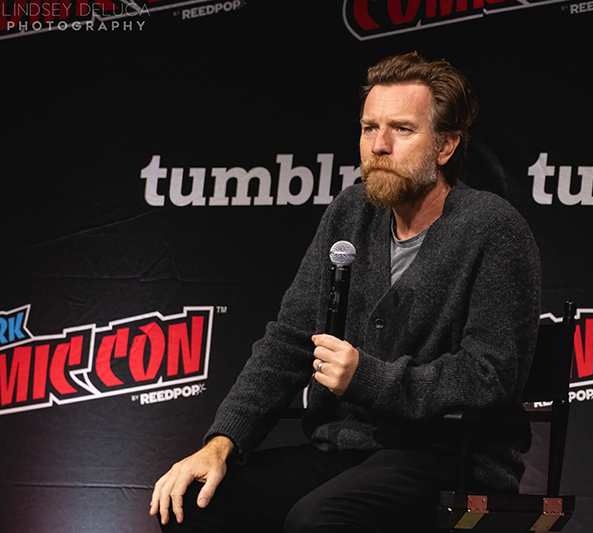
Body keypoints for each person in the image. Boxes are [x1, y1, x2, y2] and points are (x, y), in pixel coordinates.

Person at [150, 51, 541, 533]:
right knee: (193, 502)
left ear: (445, 146)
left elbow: (489, 376)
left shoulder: (493, 229)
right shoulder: (350, 213)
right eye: (368, 128)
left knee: (320, 518)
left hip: (447, 457)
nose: (379, 146)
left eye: (402, 129)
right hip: (344, 450)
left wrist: (368, 378)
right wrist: (221, 443)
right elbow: (289, 342)